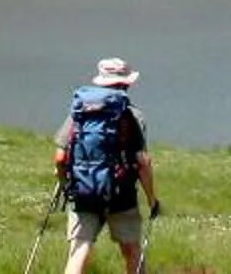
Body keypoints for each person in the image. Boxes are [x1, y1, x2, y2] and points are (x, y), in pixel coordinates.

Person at [53, 57, 158, 274]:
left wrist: (65, 184)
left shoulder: (80, 112)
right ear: (127, 84)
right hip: (122, 195)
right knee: (131, 251)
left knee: (79, 249)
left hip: (83, 191)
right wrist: (152, 200)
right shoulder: (134, 115)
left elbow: (60, 158)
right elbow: (143, 164)